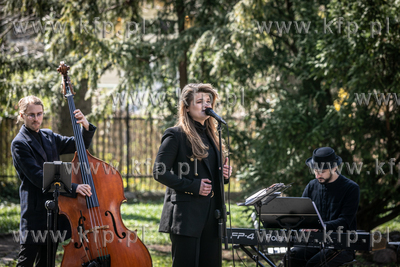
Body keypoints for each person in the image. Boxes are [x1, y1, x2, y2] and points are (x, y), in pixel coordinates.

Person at [153, 83, 232, 267]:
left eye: (208, 101)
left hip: (212, 214)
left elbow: (211, 173)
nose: (206, 105)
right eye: (199, 101)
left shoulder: (213, 136)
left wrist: (224, 175)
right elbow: (159, 171)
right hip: (186, 215)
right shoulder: (175, 135)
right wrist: (194, 186)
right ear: (186, 107)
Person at [11, 95, 95, 267]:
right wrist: (74, 187)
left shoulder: (49, 136)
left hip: (55, 211)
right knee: (25, 262)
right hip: (34, 214)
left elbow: (77, 145)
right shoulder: (19, 143)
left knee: (47, 263)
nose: (36, 119)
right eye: (31, 115)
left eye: (39, 114)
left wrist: (85, 127)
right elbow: (38, 176)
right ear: (22, 116)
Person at [290, 147, 360, 267]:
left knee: (314, 264)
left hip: (341, 244)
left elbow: (345, 221)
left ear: (334, 168)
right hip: (314, 242)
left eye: (322, 171)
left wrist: (320, 227)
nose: (318, 176)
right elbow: (302, 214)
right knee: (292, 257)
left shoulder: (351, 188)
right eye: (315, 171)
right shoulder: (311, 186)